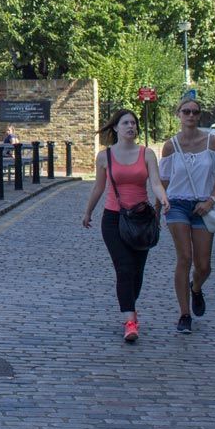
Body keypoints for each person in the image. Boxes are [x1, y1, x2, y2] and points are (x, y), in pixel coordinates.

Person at [82, 109, 170, 342]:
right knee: (124, 268)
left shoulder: (147, 154)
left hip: (141, 220)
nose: (131, 126)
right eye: (125, 123)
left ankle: (129, 303)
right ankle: (130, 321)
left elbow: (155, 183)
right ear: (115, 128)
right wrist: (88, 211)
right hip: (113, 219)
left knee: (137, 274)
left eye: (133, 123)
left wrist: (162, 198)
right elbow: (99, 187)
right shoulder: (105, 156)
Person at [159, 93, 215, 334]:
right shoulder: (170, 145)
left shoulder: (213, 142)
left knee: (203, 264)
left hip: (203, 206)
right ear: (178, 115)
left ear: (200, 116)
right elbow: (164, 180)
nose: (190, 115)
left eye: (194, 112)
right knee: (185, 257)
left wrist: (210, 200)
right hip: (177, 205)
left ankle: (196, 288)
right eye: (186, 111)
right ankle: (184, 314)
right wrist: (158, 207)